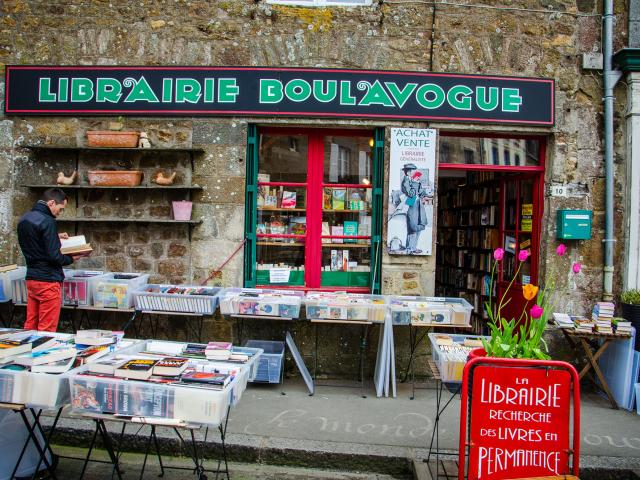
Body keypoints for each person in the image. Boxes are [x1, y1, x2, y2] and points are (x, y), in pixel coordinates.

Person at [17, 188, 88, 331]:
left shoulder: (25, 218)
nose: (59, 213)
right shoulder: (48, 221)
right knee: (47, 330)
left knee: (31, 324)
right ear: (51, 203)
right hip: (48, 280)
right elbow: (54, 256)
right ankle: (43, 352)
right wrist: (71, 258)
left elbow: (36, 242)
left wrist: (54, 237)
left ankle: (25, 350)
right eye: (60, 209)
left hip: (32, 278)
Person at [400, 163, 429, 255]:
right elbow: (411, 194)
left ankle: (413, 247)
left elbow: (420, 193)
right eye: (413, 171)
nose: (414, 173)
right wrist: (416, 183)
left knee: (419, 226)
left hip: (418, 205)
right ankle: (410, 248)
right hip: (411, 204)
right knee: (413, 226)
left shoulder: (413, 181)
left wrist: (423, 191)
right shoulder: (405, 181)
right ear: (408, 172)